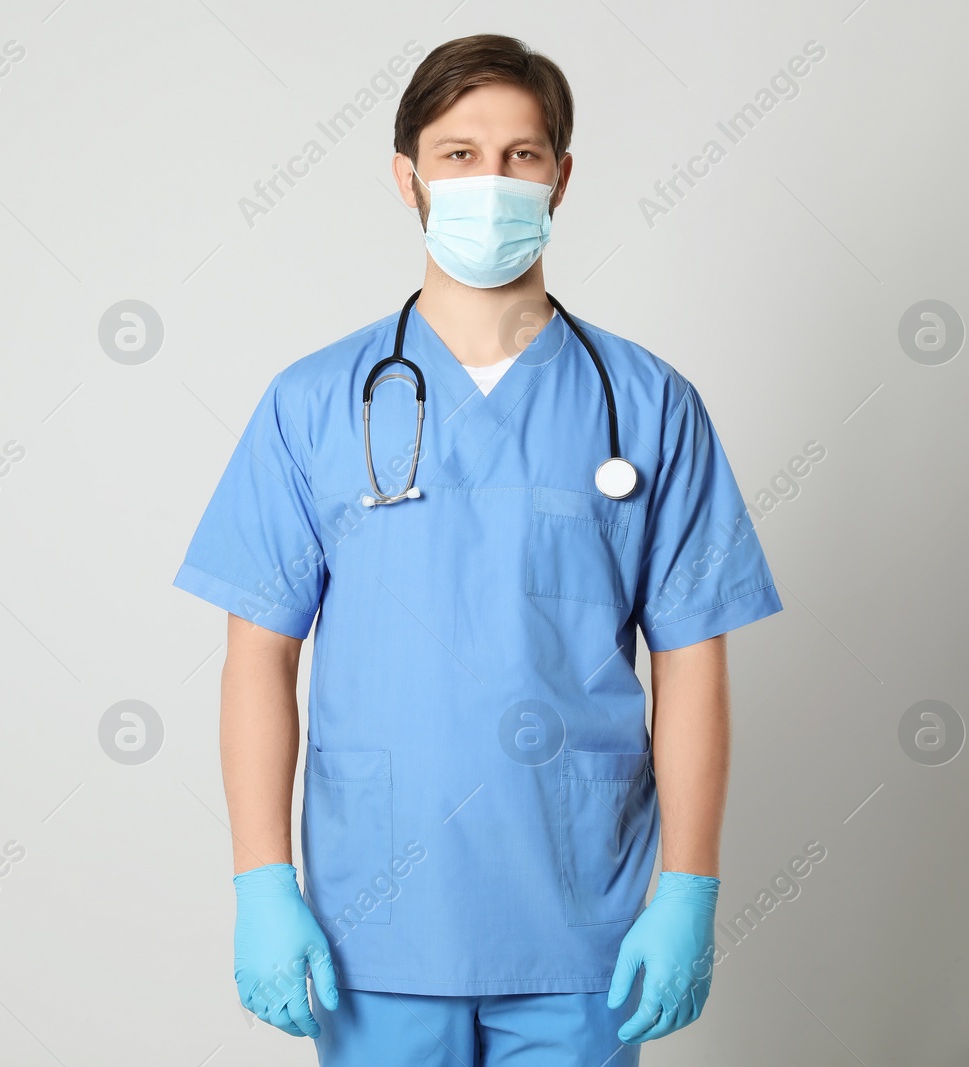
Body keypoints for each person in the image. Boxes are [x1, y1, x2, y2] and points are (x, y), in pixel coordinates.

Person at [173, 33, 783, 1066]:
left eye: (520, 156)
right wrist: (261, 880)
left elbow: (691, 662)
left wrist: (687, 885)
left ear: (561, 178)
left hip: (582, 925)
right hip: (379, 924)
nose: (489, 181)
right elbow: (257, 660)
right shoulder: (315, 403)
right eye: (458, 156)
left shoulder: (645, 403)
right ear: (405, 175)